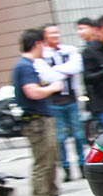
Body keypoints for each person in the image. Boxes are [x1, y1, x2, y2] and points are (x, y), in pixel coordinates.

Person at [12, 29, 65, 196]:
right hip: (36, 121)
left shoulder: (28, 65)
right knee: (43, 161)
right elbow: (32, 92)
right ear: (36, 44)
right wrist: (53, 88)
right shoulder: (25, 66)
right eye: (43, 44)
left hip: (41, 119)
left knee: (51, 158)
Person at [36, 24, 87, 182]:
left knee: (79, 134)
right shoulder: (42, 54)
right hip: (54, 101)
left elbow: (76, 67)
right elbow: (45, 75)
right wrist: (64, 70)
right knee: (60, 137)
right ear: (44, 36)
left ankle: (82, 164)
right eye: (51, 33)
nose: (55, 35)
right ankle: (66, 168)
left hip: (71, 98)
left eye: (57, 32)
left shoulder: (69, 49)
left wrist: (55, 70)